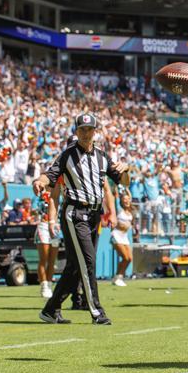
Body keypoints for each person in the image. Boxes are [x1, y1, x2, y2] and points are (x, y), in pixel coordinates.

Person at [34, 113, 130, 325]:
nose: (86, 133)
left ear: (96, 132)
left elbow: (122, 181)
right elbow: (50, 175)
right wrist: (39, 181)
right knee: (88, 262)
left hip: (95, 215)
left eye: (90, 129)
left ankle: (51, 309)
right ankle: (96, 312)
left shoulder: (103, 157)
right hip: (74, 213)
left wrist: (126, 170)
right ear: (76, 132)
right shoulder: (68, 155)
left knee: (75, 267)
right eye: (82, 129)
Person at [37, 189, 59, 298]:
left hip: (56, 227)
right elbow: (35, 209)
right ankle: (44, 285)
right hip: (43, 225)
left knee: (52, 259)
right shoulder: (40, 193)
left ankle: (49, 284)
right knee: (44, 258)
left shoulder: (60, 191)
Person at [111, 190, 134, 287]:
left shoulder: (130, 211)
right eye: (124, 199)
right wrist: (117, 185)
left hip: (124, 237)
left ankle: (118, 277)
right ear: (121, 201)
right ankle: (118, 277)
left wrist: (127, 188)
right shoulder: (119, 209)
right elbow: (116, 197)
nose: (127, 201)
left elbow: (130, 196)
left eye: (128, 199)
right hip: (116, 235)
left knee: (129, 259)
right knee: (125, 257)